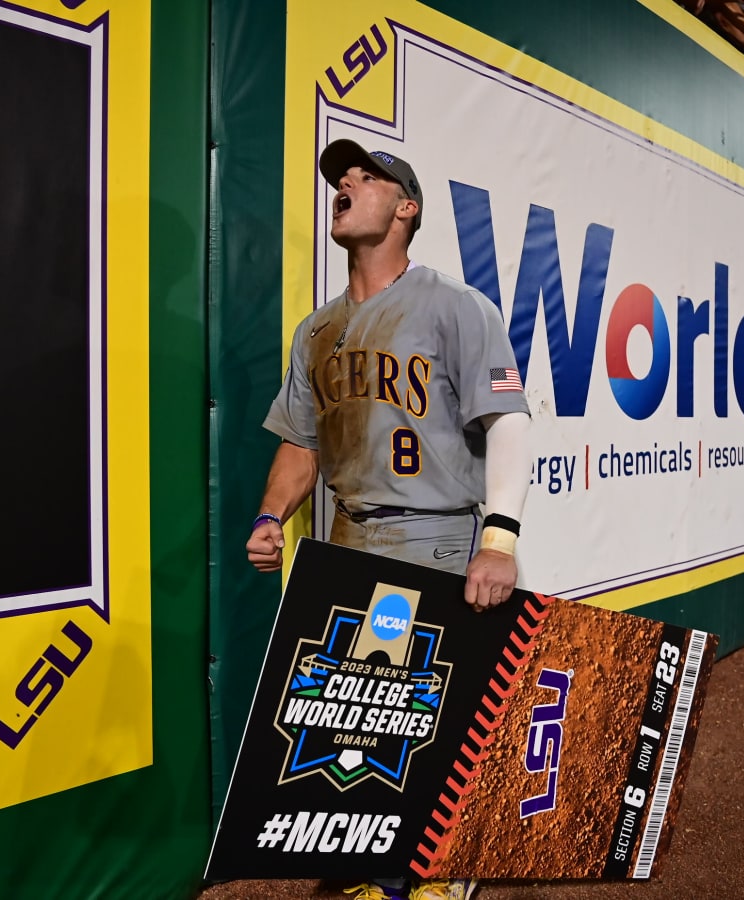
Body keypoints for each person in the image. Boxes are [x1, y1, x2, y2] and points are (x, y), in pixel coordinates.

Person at [246, 139, 532, 900]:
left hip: (434, 534)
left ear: (405, 208)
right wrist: (274, 514)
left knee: (437, 718)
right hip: (348, 540)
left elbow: (507, 422)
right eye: (340, 178)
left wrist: (499, 541)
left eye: (366, 178)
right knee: (363, 725)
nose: (345, 184)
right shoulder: (319, 331)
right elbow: (301, 445)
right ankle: (382, 873)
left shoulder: (454, 305)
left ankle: (443, 873)